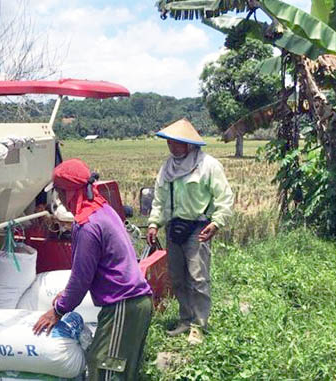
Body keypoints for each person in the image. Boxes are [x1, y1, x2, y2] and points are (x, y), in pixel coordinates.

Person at [33, 158, 153, 381]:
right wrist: (65, 298)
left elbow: (81, 278)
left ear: (69, 192)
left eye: (59, 192)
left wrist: (58, 310)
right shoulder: (103, 209)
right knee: (116, 370)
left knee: (104, 368)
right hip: (132, 304)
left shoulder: (87, 225)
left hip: (124, 306)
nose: (58, 199)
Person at [145, 118, 234, 345]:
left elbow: (224, 197)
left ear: (190, 144)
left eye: (177, 143)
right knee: (177, 278)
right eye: (170, 143)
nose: (173, 147)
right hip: (174, 227)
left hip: (198, 227)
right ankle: (185, 320)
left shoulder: (208, 166)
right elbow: (159, 199)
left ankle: (199, 325)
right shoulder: (167, 168)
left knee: (198, 278)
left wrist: (216, 222)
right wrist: (154, 223)